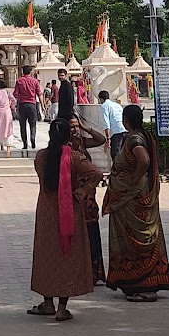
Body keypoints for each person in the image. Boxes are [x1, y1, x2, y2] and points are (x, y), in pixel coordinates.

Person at [28, 118, 103, 320]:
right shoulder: (75, 158)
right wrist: (83, 190)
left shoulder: (41, 157)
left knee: (47, 256)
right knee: (66, 256)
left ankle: (47, 303)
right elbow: (97, 173)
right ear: (68, 136)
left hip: (46, 212)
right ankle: (62, 308)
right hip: (69, 211)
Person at [102, 104, 169, 301]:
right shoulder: (142, 136)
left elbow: (144, 160)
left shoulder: (134, 139)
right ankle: (135, 282)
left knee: (135, 239)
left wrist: (133, 179)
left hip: (132, 198)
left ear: (125, 120)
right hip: (132, 197)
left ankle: (143, 284)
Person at [69, 114, 109, 283]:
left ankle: (94, 273)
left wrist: (86, 128)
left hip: (88, 198)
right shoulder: (65, 147)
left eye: (76, 126)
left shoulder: (82, 142)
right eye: (71, 127)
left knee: (92, 233)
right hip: (74, 197)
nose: (75, 129)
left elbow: (101, 140)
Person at [13, 65, 41, 152]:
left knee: (22, 125)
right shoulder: (35, 81)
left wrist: (14, 106)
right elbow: (39, 94)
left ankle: (25, 143)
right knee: (33, 124)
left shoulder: (19, 81)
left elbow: (16, 94)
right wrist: (43, 106)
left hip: (22, 105)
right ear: (30, 72)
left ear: (23, 72)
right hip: (32, 104)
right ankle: (32, 138)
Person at [98, 88, 126, 160]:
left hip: (116, 132)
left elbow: (106, 122)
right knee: (125, 154)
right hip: (125, 130)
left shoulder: (104, 106)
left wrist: (108, 138)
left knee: (115, 155)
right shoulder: (117, 105)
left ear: (101, 99)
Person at [0, 79, 17, 155]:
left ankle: (1, 146)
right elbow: (14, 100)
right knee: (8, 128)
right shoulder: (7, 91)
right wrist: (12, 107)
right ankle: (8, 149)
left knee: (0, 127)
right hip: (7, 111)